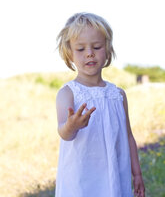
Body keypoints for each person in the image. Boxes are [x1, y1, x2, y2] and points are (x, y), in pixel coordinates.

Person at [55, 12, 145, 197]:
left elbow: (128, 136)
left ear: (108, 49)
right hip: (81, 177)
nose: (89, 53)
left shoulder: (118, 95)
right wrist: (71, 126)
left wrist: (136, 173)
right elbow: (64, 132)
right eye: (80, 49)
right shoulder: (68, 93)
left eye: (96, 46)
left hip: (113, 174)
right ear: (69, 53)